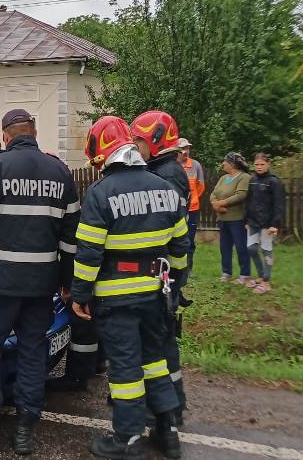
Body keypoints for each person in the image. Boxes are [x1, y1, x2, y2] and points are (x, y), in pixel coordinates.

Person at [0, 109, 79, 456]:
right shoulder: (61, 172)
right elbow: (71, 239)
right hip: (41, 286)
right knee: (32, 353)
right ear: (33, 133)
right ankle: (24, 433)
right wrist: (67, 282)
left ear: (6, 135)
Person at [71, 116, 187, 460]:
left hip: (117, 298)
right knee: (155, 361)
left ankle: (127, 438)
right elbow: (180, 250)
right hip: (156, 293)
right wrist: (174, 288)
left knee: (125, 369)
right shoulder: (166, 189)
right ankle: (167, 432)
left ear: (103, 152)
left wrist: (80, 295)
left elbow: (89, 253)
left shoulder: (100, 193)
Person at [130, 110, 190, 425]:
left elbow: (168, 231)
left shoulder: (166, 175)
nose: (134, 145)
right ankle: (170, 407)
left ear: (154, 140)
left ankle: (168, 409)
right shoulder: (167, 171)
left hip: (162, 271)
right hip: (165, 270)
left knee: (161, 344)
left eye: (138, 139)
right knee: (162, 342)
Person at [210, 152, 251, 284]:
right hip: (223, 219)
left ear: (232, 164)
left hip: (237, 219)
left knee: (241, 247)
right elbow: (213, 194)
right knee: (224, 247)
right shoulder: (223, 178)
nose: (223, 164)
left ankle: (244, 274)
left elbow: (240, 195)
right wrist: (215, 205)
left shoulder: (244, 177)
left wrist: (222, 203)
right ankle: (226, 272)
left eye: (225, 161)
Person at [245, 153, 284, 294]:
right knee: (251, 249)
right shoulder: (252, 179)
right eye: (256, 164)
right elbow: (248, 202)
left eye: (262, 164)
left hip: (268, 224)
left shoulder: (274, 182)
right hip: (253, 222)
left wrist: (275, 224)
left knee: (266, 249)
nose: (259, 167)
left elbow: (279, 205)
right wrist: (246, 220)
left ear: (268, 165)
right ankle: (261, 276)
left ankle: (266, 282)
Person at [177, 139, 205, 276]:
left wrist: (192, 200)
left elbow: (201, 186)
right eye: (183, 149)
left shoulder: (196, 165)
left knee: (190, 239)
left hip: (193, 209)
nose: (186, 151)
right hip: (177, 209)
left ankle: (189, 268)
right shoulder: (173, 167)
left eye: (187, 148)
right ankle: (176, 268)